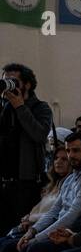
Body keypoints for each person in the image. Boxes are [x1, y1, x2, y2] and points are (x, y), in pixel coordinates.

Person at [0, 63, 54, 231]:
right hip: (4, 180)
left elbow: (39, 135)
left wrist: (20, 107)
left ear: (28, 84)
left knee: (17, 230)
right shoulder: (4, 107)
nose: (8, 84)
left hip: (26, 182)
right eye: (5, 81)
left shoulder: (41, 108)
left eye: (13, 81)